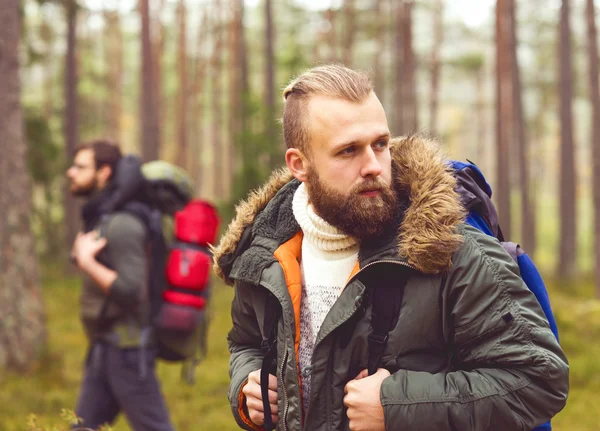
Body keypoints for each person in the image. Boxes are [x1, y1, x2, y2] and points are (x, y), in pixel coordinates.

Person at [212, 64, 569, 431]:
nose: (373, 166)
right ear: (299, 164)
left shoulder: (452, 253)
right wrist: (247, 384)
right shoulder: (265, 253)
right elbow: (246, 341)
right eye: (348, 150)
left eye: (380, 144)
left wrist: (397, 405)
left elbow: (539, 381)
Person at [67, 139, 174, 431]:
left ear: (103, 173)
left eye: (80, 167)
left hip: (127, 351)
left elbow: (130, 290)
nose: (71, 173)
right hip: (106, 347)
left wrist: (88, 263)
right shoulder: (104, 218)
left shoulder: (123, 223)